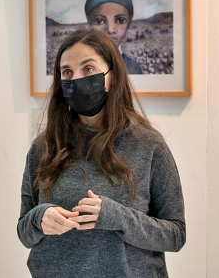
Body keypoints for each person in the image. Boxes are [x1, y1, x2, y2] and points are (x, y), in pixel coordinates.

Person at [17, 29, 185, 277]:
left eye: (88, 69)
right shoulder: (43, 147)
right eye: (67, 72)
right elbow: (24, 231)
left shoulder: (149, 145)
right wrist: (39, 218)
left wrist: (116, 217)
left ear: (112, 76)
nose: (77, 79)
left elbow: (175, 235)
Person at [84, 0, 143, 74]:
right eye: (99, 21)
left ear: (129, 21)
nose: (110, 30)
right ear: (89, 22)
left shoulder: (133, 68)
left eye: (120, 20)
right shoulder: (80, 66)